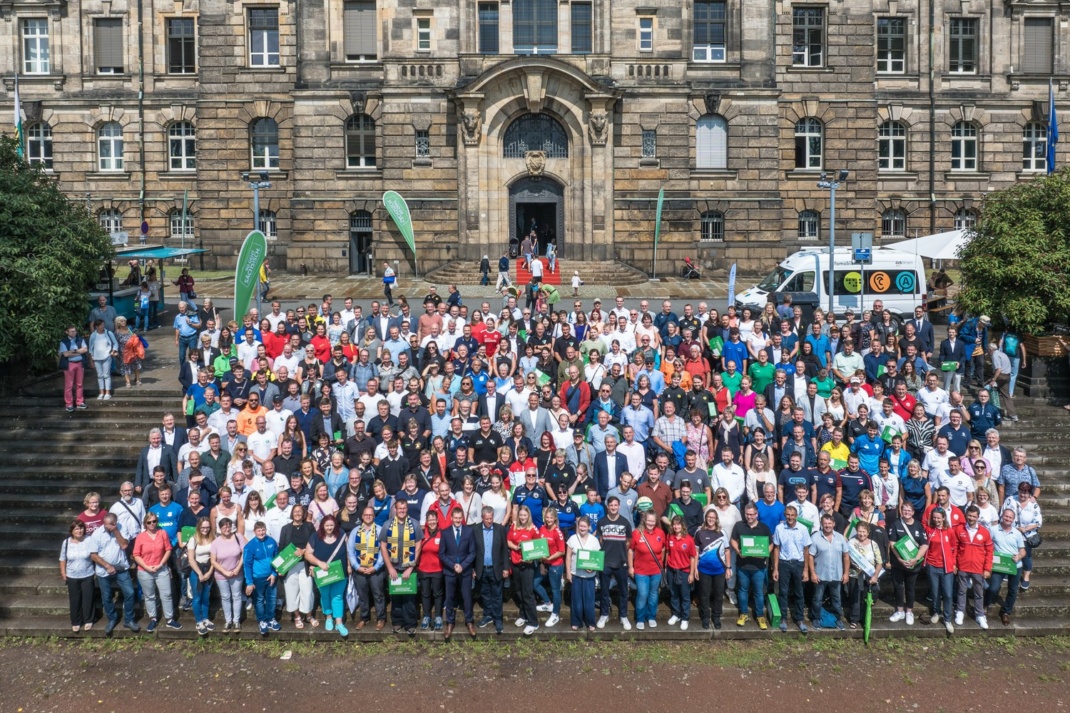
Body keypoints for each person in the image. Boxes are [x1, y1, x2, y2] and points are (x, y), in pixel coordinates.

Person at [88, 513, 138, 634]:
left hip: (121, 568)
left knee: (130, 593)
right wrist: (107, 566)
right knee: (106, 596)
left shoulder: (121, 528)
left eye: (110, 524)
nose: (107, 527)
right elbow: (93, 555)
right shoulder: (97, 534)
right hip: (103, 570)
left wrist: (116, 531)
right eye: (105, 524)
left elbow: (124, 545)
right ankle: (112, 618)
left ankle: (129, 619)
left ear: (115, 523)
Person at [133, 511, 181, 632]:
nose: (152, 524)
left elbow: (168, 549)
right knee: (150, 596)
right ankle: (153, 618)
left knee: (167, 594)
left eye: (154, 521)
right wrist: (146, 566)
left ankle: (169, 619)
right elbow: (136, 554)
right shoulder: (140, 537)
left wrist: (161, 564)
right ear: (145, 524)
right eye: (149, 522)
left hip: (161, 568)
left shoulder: (162, 533)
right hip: (145, 570)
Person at [380, 498, 422, 634]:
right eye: (399, 508)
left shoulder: (414, 524)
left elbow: (418, 547)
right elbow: (383, 547)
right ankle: (397, 622)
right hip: (394, 567)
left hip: (409, 567)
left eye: (404, 508)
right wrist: (390, 568)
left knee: (409, 598)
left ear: (407, 509)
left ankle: (410, 624)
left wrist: (411, 567)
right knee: (396, 596)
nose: (402, 511)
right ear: (395, 509)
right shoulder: (387, 525)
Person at [305, 514, 349, 636]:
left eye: (331, 525)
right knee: (325, 595)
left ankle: (339, 622)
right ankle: (329, 617)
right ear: (322, 526)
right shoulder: (315, 537)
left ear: (335, 525)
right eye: (327, 525)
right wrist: (318, 563)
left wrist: (349, 566)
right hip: (322, 573)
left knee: (338, 596)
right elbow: (307, 554)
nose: (329, 527)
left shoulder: (342, 535)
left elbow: (348, 551)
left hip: (340, 573)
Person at [771, 504, 811, 633]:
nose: (790, 517)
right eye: (788, 515)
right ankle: (783, 618)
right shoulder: (779, 528)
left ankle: (799, 619)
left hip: (798, 563)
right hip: (784, 563)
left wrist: (806, 569)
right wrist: (775, 568)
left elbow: (806, 550)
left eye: (792, 515)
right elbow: (776, 549)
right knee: (783, 592)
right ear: (785, 515)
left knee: (799, 593)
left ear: (796, 516)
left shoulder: (803, 529)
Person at [888, 501, 928, 625]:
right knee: (898, 586)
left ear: (913, 512)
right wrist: (899, 559)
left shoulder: (918, 525)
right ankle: (900, 611)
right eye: (904, 510)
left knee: (910, 588)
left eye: (909, 510)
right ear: (901, 511)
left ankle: (909, 611)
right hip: (898, 563)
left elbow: (924, 544)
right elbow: (892, 543)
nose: (907, 512)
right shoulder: (896, 524)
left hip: (913, 563)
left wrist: (916, 559)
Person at [953, 504, 993, 630]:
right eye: (969, 515)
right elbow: (955, 548)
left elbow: (989, 551)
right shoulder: (959, 530)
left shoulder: (985, 532)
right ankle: (960, 611)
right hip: (963, 566)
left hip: (978, 568)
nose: (971, 518)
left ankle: (980, 615)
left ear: (978, 517)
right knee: (961, 590)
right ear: (966, 515)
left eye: (974, 516)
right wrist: (954, 564)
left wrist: (987, 568)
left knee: (979, 592)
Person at [808, 513, 849, 630]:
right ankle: (816, 619)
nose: (827, 526)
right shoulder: (815, 537)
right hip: (820, 574)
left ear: (834, 524)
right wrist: (813, 573)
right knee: (817, 598)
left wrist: (846, 573)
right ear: (821, 524)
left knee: (837, 599)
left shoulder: (840, 538)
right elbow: (810, 556)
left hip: (836, 575)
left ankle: (838, 619)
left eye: (829, 523)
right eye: (825, 523)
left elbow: (846, 556)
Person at [987, 507, 1027, 626]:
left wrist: (1019, 556)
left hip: (1014, 565)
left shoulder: (1017, 533)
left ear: (1013, 519)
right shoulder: (993, 530)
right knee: (993, 588)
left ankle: (1006, 612)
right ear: (1002, 517)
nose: (1007, 518)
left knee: (1013, 590)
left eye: (1010, 517)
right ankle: (985, 605)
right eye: (1006, 516)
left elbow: (1023, 551)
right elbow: (987, 545)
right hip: (999, 564)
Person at [474, 505, 510, 634]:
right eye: (487, 518)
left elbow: (505, 550)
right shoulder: (476, 529)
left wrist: (506, 567)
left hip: (496, 568)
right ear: (482, 518)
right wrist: (473, 569)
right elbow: (473, 551)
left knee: (497, 595)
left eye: (491, 518)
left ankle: (498, 618)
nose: (489, 521)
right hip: (481, 568)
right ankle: (488, 615)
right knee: (485, 594)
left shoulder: (500, 529)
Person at [629, 510, 667, 630]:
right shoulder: (636, 533)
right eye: (649, 520)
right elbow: (631, 551)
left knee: (653, 594)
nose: (651, 523)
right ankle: (640, 618)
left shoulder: (660, 533)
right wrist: (631, 566)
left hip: (656, 570)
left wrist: (663, 566)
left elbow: (664, 549)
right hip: (641, 571)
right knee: (642, 594)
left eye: (653, 520)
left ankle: (651, 616)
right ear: (644, 520)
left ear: (656, 521)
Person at [507, 504, 541, 635]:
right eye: (520, 515)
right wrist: (516, 548)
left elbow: (540, 547)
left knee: (527, 593)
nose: (522, 517)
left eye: (525, 515)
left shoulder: (533, 528)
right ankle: (523, 614)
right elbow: (508, 540)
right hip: (515, 562)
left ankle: (533, 622)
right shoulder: (513, 526)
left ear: (528, 516)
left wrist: (532, 559)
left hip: (527, 565)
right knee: (519, 591)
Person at [244, 520, 281, 635]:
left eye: (263, 530)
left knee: (272, 598)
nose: (261, 532)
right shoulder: (250, 546)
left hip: (271, 576)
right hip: (258, 578)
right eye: (259, 530)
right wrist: (249, 582)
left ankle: (271, 619)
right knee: (259, 600)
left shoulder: (272, 541)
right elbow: (247, 565)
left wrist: (274, 573)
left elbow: (277, 558)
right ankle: (262, 621)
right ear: (254, 532)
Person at [565, 516, 600, 631]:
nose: (582, 528)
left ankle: (590, 622)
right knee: (576, 600)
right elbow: (568, 557)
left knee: (589, 600)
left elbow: (597, 559)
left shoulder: (594, 540)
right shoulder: (572, 538)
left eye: (585, 526)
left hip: (589, 576)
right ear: (578, 526)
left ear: (589, 527)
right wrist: (568, 573)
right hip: (576, 574)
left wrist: (593, 569)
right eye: (580, 526)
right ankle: (576, 621)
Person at [925, 507, 958, 633]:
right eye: (934, 517)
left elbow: (954, 548)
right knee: (935, 592)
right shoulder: (929, 529)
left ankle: (948, 618)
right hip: (932, 565)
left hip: (946, 567)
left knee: (948, 594)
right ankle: (936, 612)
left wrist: (954, 564)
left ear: (944, 518)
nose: (936, 520)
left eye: (939, 517)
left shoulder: (949, 531)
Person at [59, 520, 96, 632]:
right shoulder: (66, 542)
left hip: (87, 574)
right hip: (72, 575)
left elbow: (94, 554)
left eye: (81, 528)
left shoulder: (89, 540)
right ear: (72, 531)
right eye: (76, 529)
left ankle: (89, 620)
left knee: (88, 598)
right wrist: (63, 573)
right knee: (74, 599)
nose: (79, 531)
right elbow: (62, 559)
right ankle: (76, 621)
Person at [845, 521, 882, 629]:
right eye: (859, 531)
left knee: (867, 598)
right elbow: (847, 558)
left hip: (870, 575)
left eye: (864, 531)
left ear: (868, 532)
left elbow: (879, 562)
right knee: (855, 598)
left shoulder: (873, 544)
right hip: (855, 574)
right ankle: (854, 619)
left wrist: (875, 575)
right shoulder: (851, 543)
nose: (861, 534)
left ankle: (865, 618)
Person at [210, 518, 245, 633]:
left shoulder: (238, 537)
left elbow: (244, 554)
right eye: (224, 527)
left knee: (237, 596)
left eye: (229, 526)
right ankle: (228, 620)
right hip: (221, 575)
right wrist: (224, 572)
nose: (227, 528)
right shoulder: (215, 542)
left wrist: (238, 568)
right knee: (225, 597)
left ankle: (236, 621)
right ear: (220, 528)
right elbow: (213, 561)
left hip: (236, 573)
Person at [59, 325, 89, 412]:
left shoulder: (80, 339)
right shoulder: (63, 342)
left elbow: (85, 350)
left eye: (75, 331)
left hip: (79, 363)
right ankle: (69, 404)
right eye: (71, 331)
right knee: (69, 385)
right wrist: (79, 351)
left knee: (79, 384)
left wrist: (74, 351)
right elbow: (66, 354)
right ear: (67, 332)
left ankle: (79, 402)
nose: (74, 332)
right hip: (69, 364)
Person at [88, 319, 119, 401]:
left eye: (103, 324)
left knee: (106, 375)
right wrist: (91, 360)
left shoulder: (108, 333)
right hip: (96, 357)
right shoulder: (93, 335)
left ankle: (107, 393)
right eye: (101, 325)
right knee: (99, 375)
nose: (103, 326)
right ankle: (101, 392)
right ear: (96, 326)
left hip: (107, 356)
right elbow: (91, 348)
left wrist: (113, 351)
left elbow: (115, 343)